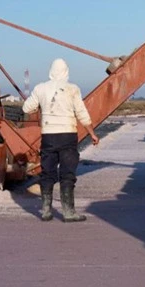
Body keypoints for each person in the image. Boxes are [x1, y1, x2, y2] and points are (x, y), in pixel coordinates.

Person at [22, 58, 99, 222]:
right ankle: (68, 212)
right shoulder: (73, 89)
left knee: (47, 172)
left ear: (51, 71)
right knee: (67, 174)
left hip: (48, 136)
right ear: (66, 72)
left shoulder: (40, 88)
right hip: (67, 136)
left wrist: (40, 106)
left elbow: (26, 108)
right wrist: (92, 134)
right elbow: (82, 113)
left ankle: (45, 211)